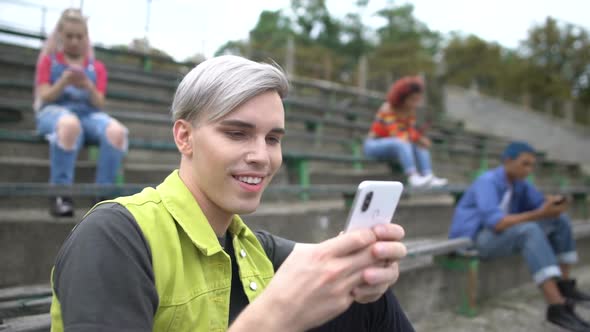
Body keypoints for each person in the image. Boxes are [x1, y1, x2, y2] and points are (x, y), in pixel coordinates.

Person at [49, 55, 414, 331]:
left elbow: (323, 263)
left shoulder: (248, 243)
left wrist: (367, 264)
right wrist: (272, 319)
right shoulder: (115, 234)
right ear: (184, 136)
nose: (261, 156)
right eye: (237, 133)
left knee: (371, 300)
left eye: (273, 138)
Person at [449, 141, 590, 331]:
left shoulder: (519, 183)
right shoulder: (487, 181)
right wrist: (541, 213)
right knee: (529, 230)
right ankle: (557, 306)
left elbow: (539, 203)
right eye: (525, 164)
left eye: (532, 165)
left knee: (560, 220)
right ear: (508, 160)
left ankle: (565, 287)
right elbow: (497, 223)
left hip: (499, 235)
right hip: (474, 239)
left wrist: (554, 203)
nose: (529, 169)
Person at [34, 8, 128, 217]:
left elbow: (100, 102)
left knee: (117, 132)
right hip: (54, 111)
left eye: (79, 36)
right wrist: (62, 82)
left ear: (86, 37)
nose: (75, 41)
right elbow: (45, 95)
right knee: (69, 125)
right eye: (69, 36)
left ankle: (103, 195)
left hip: (88, 114)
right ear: (60, 35)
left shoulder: (97, 67)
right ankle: (61, 194)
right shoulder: (49, 61)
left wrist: (87, 85)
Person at [363, 76, 447, 188]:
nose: (415, 103)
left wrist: (420, 140)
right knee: (401, 142)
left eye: (417, 100)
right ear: (402, 97)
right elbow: (396, 133)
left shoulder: (410, 111)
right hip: (373, 145)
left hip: (397, 144)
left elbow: (410, 131)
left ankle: (428, 175)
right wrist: (416, 138)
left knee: (419, 145)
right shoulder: (388, 108)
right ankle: (412, 176)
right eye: (412, 99)